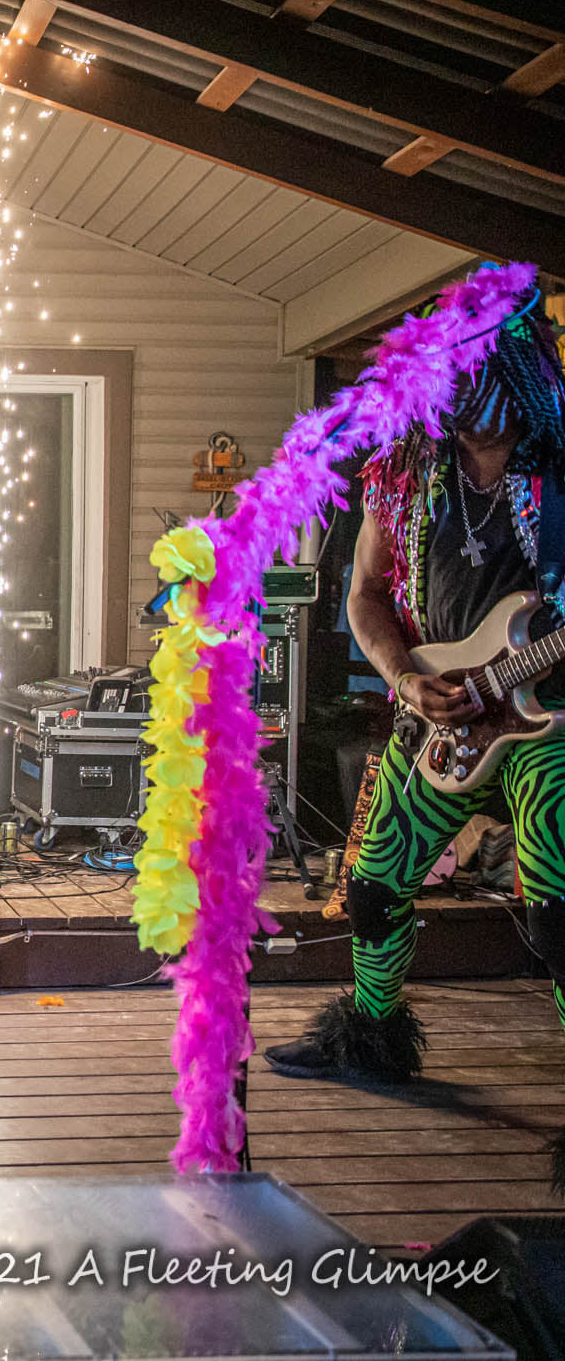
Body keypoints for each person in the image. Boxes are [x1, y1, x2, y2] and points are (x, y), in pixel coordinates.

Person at [262, 292, 565, 1181]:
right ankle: (371, 1035)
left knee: (559, 915)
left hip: (549, 726)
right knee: (372, 884)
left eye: (468, 375)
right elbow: (364, 594)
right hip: (441, 713)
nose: (450, 396)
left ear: (516, 374)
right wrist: (405, 678)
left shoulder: (559, 472)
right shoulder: (407, 471)